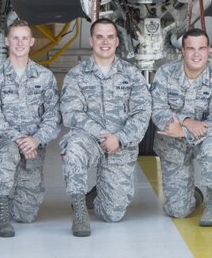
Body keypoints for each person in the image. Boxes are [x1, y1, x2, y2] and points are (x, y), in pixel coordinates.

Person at [59, 18, 152, 237]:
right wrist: (102, 135)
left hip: (120, 145)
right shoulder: (76, 74)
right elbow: (71, 113)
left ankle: (100, 193)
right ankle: (80, 207)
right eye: (99, 37)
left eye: (110, 37)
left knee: (113, 215)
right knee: (73, 150)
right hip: (89, 140)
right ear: (91, 40)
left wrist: (119, 138)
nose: (105, 42)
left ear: (117, 41)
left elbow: (142, 113)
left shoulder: (131, 75)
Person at [0, 20, 60, 237]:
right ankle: (2, 215)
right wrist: (19, 139)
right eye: (15, 38)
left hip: (33, 148)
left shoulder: (44, 77)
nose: (19, 42)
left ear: (32, 42)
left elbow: (53, 116)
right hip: (4, 142)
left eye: (24, 38)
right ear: (6, 41)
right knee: (7, 152)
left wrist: (36, 139)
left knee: (27, 216)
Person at [151, 28, 212, 226]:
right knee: (178, 212)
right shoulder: (165, 74)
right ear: (182, 51)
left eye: (201, 48)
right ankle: (191, 195)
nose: (196, 54)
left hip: (203, 140)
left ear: (208, 50)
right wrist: (187, 121)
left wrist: (184, 131)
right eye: (191, 49)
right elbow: (157, 109)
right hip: (172, 144)